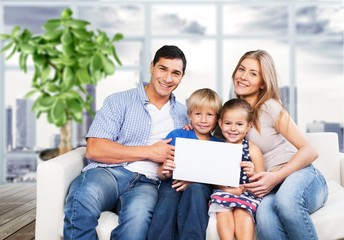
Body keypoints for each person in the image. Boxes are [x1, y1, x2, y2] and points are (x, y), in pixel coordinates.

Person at [63, 45, 189, 240]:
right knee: (83, 197)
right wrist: (150, 152)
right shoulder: (119, 101)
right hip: (108, 173)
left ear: (181, 77)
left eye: (175, 73)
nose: (168, 78)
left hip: (147, 184)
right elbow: (94, 149)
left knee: (137, 224)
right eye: (162, 69)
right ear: (151, 67)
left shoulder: (184, 115)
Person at [231, 49, 328, 239]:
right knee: (264, 216)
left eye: (253, 73)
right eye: (241, 69)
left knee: (286, 201)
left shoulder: (269, 107)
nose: (243, 77)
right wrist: (189, 128)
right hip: (271, 189)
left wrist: (275, 177)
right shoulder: (234, 113)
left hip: (303, 176)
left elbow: (310, 150)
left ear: (262, 83)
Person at [147, 88, 223, 240]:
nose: (203, 120)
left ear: (217, 119)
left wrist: (194, 178)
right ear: (189, 115)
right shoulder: (177, 135)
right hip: (173, 183)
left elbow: (219, 178)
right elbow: (161, 172)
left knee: (196, 190)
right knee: (168, 198)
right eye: (198, 114)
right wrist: (165, 171)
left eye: (209, 115)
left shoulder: (219, 144)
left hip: (201, 187)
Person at [208, 98, 264, 240]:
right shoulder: (218, 148)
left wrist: (252, 173)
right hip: (224, 191)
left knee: (242, 211)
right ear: (220, 123)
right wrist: (227, 189)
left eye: (239, 124)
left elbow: (261, 179)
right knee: (222, 210)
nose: (233, 129)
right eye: (228, 123)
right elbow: (211, 177)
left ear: (248, 126)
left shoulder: (252, 149)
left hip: (247, 193)